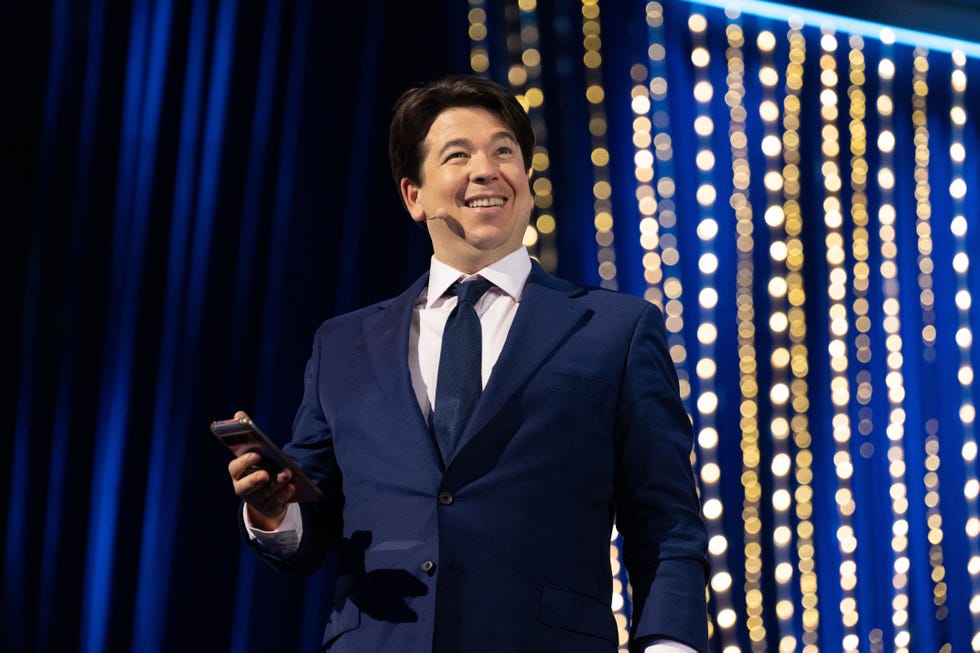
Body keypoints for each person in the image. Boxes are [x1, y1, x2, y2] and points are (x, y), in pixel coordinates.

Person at [228, 74, 709, 652]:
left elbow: (668, 523)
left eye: (504, 151)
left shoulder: (617, 330)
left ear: (526, 183)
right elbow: (314, 522)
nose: (487, 169)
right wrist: (273, 514)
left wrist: (668, 644)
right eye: (459, 156)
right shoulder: (343, 345)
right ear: (415, 197)